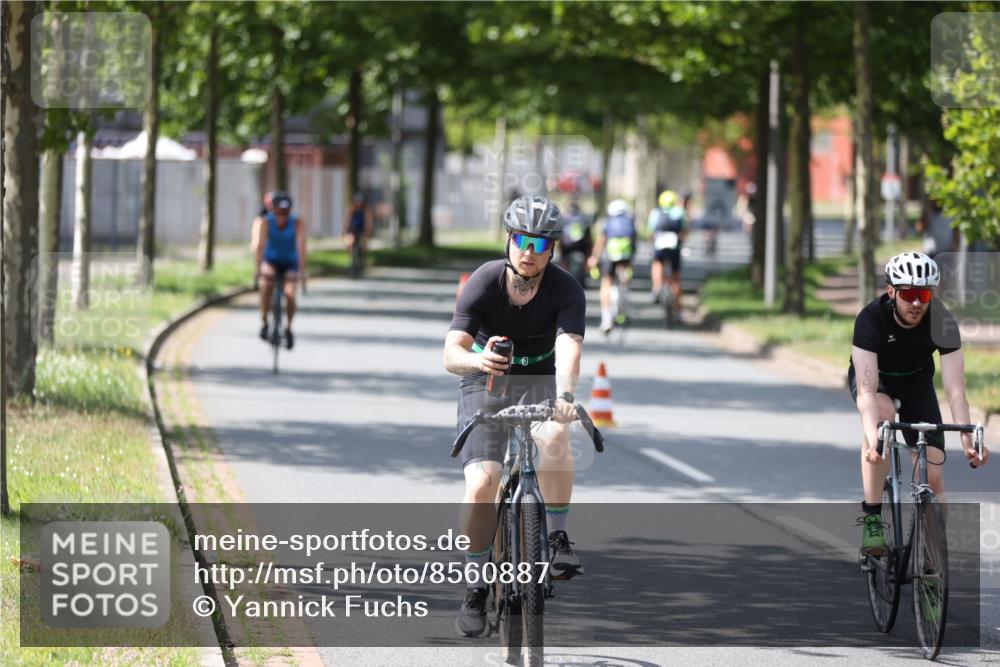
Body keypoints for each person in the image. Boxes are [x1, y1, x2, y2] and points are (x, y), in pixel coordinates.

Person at [443, 195, 587, 637]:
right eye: (522, 239)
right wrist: (479, 361)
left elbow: (569, 345)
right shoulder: (485, 281)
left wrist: (565, 393)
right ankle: (476, 584)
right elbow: (452, 352)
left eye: (540, 244)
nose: (529, 250)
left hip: (543, 381)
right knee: (483, 483)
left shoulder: (567, 289)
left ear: (552, 250)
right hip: (486, 381)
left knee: (557, 437)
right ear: (509, 239)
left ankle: (557, 538)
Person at [849, 251, 989, 555]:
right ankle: (873, 519)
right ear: (892, 292)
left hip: (917, 384)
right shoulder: (871, 319)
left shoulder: (942, 321)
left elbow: (955, 390)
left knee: (934, 474)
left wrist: (968, 440)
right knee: (883, 422)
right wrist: (874, 440)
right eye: (909, 294)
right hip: (879, 382)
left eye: (923, 294)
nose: (916, 303)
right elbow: (866, 391)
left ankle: (932, 554)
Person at [252, 192, 307, 350]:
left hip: (290, 262)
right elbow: (260, 247)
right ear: (273, 211)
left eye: (285, 213)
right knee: (266, 284)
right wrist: (258, 269)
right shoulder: (265, 222)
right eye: (278, 213)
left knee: (290, 294)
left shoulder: (297, 223)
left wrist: (302, 271)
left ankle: (288, 329)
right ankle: (264, 322)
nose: (282, 217)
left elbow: (301, 247)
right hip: (272, 261)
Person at [587, 199, 636, 334]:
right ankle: (622, 303)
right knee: (624, 280)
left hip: (610, 256)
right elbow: (633, 245)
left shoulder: (607, 222)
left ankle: (606, 318)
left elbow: (601, 241)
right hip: (625, 257)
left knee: (606, 283)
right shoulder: (630, 222)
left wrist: (594, 258)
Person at [646, 190, 688, 314]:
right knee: (675, 278)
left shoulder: (655, 212)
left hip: (659, 247)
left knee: (657, 263)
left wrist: (651, 242)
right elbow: (684, 231)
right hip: (675, 248)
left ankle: (656, 287)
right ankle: (678, 309)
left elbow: (650, 231)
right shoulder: (679, 212)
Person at [557, 198, 593, 286]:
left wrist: (560, 249)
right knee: (583, 262)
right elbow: (588, 236)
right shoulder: (584, 218)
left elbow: (560, 234)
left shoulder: (564, 218)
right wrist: (589, 251)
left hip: (567, 247)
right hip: (581, 247)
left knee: (564, 262)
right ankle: (582, 280)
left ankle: (563, 280)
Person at [344, 192, 372, 258]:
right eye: (357, 202)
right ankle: (351, 258)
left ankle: (362, 255)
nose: (359, 203)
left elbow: (368, 221)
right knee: (349, 242)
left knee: (363, 242)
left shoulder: (366, 210)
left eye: (360, 202)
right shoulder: (351, 209)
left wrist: (368, 231)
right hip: (352, 228)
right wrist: (346, 230)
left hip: (362, 229)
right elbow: (347, 220)